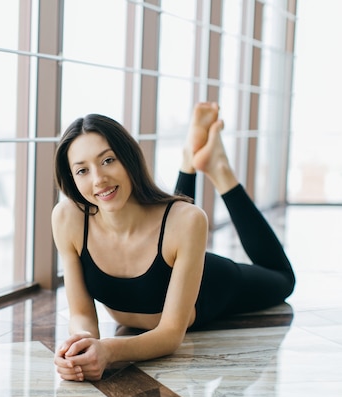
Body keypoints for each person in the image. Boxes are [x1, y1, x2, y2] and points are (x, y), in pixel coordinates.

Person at [51, 102, 295, 382]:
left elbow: (170, 335)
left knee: (283, 280)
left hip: (214, 284)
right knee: (180, 217)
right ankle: (190, 159)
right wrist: (80, 344)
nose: (99, 179)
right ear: (71, 178)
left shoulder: (189, 220)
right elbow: (81, 314)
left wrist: (108, 350)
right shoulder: (68, 218)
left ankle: (220, 169)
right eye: (82, 170)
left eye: (108, 160)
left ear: (128, 158)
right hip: (172, 238)